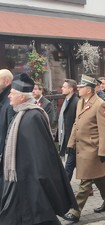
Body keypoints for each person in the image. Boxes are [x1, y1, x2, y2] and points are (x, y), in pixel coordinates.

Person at [0, 73, 77, 225]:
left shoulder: (33, 117)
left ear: (22, 97)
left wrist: (40, 184)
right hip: (21, 183)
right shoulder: (21, 114)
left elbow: (41, 156)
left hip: (32, 186)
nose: (9, 96)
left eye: (12, 93)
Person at [63, 75, 105, 223]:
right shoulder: (81, 102)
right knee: (100, 176)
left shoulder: (100, 105)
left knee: (85, 181)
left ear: (89, 90)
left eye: (81, 87)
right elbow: (76, 124)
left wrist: (103, 152)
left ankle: (75, 211)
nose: (78, 89)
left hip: (92, 150)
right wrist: (71, 144)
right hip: (82, 148)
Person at [55, 79, 79, 179]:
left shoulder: (76, 102)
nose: (62, 89)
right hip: (67, 140)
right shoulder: (66, 101)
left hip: (73, 142)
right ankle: (87, 186)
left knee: (68, 168)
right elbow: (62, 121)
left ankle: (63, 191)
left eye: (64, 87)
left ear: (71, 89)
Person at [0, 69, 15, 200]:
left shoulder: (9, 102)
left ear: (7, 81)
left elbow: (10, 130)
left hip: (6, 154)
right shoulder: (3, 99)